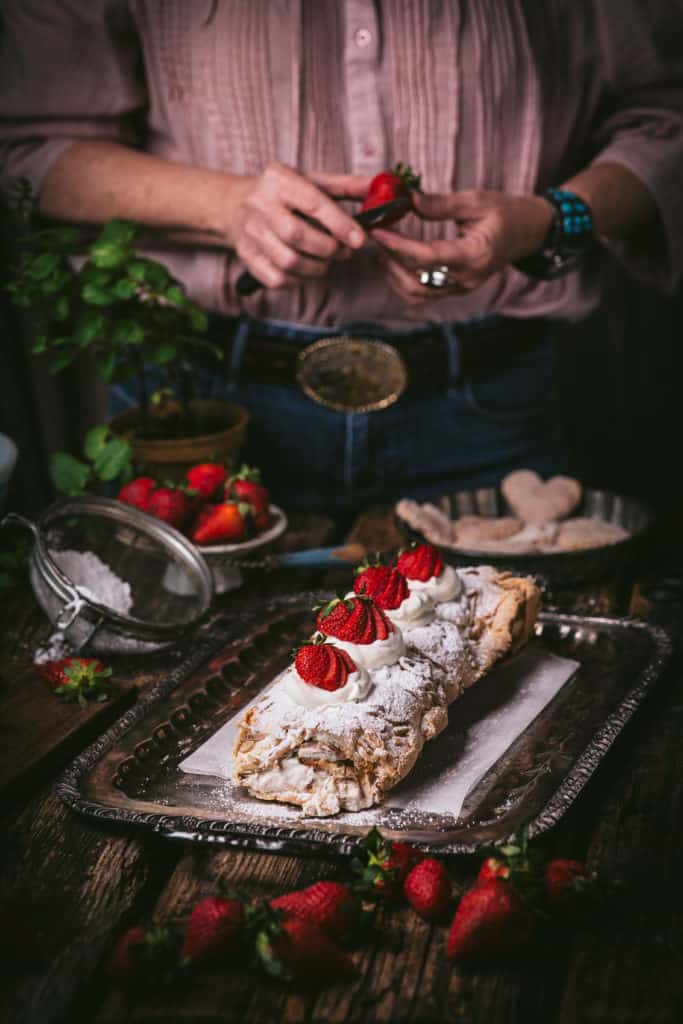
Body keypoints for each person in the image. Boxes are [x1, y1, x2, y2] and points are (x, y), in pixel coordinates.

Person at [1, 2, 682, 518]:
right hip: (201, 412)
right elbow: (31, 145)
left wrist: (546, 219)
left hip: (496, 407)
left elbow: (664, 116)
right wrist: (227, 206)